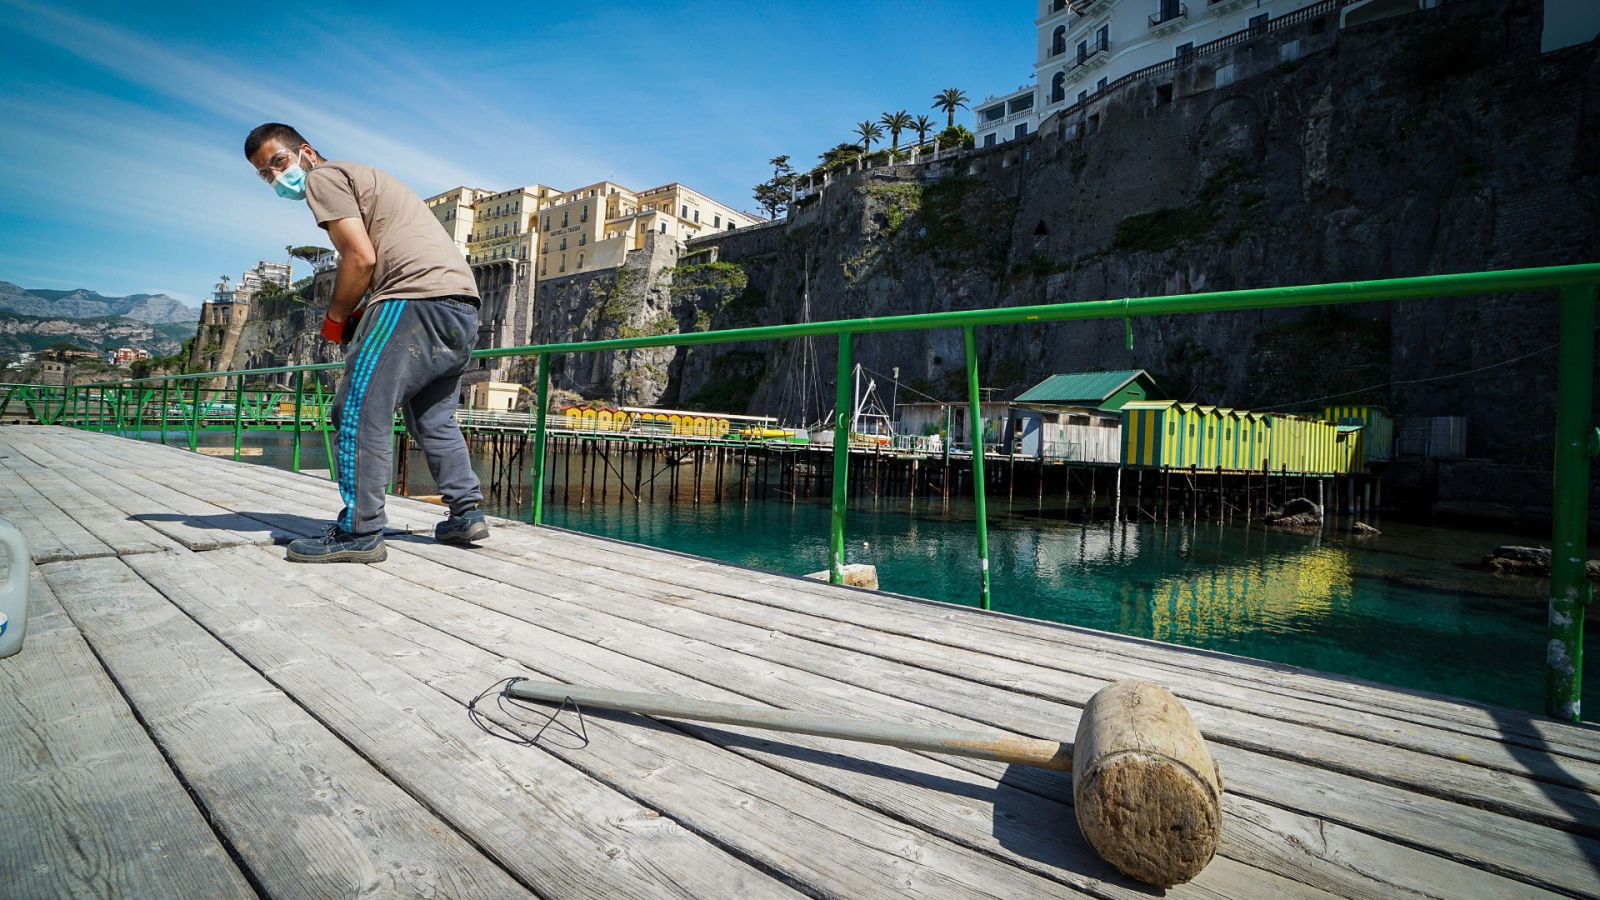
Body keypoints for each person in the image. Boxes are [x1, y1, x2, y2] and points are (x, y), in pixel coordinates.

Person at [245, 123, 489, 562]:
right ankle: (465, 513)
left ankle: (360, 531)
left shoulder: (324, 177)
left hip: (414, 299)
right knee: (433, 418)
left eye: (278, 162)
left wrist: (337, 318)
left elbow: (360, 257)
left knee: (357, 410)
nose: (276, 177)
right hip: (462, 307)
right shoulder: (364, 177)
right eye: (265, 174)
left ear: (305, 151)